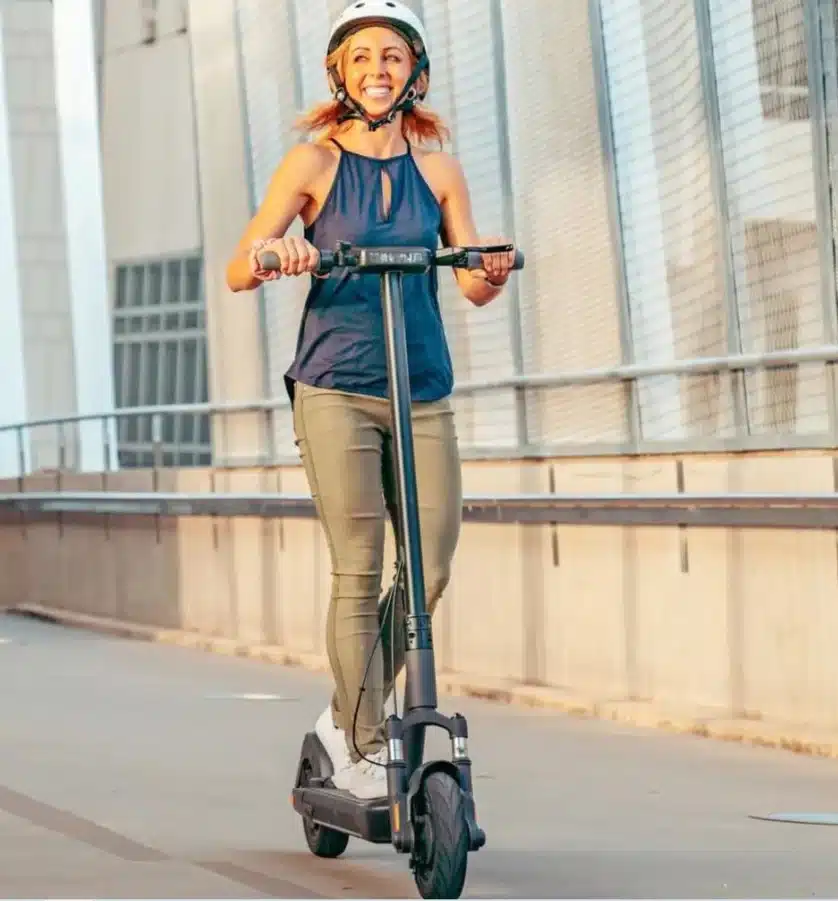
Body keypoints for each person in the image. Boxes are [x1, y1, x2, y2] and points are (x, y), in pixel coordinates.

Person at [226, 0, 515, 800]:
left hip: (422, 386)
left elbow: (466, 277)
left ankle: (340, 713)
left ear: (414, 72)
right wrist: (278, 250)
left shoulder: (439, 170)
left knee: (428, 567)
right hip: (337, 386)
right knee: (357, 570)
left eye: (391, 56)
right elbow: (239, 269)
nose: (377, 70)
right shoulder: (312, 166)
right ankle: (358, 743)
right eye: (360, 58)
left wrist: (487, 273)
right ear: (339, 74)